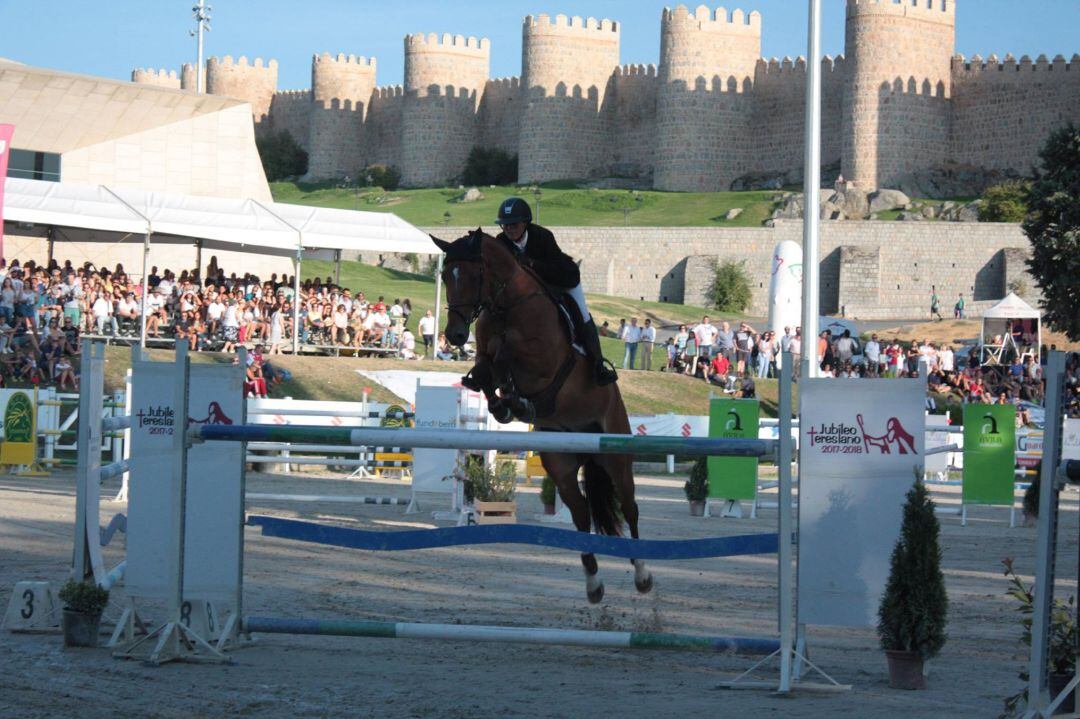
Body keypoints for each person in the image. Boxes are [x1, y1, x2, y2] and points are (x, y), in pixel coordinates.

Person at [494, 197, 617, 385]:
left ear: (525, 223)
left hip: (563, 280)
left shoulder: (542, 236)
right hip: (530, 289)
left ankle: (598, 365)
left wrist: (531, 264)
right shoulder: (501, 242)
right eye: (505, 225)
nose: (509, 228)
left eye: (514, 224)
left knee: (582, 315)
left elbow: (554, 269)